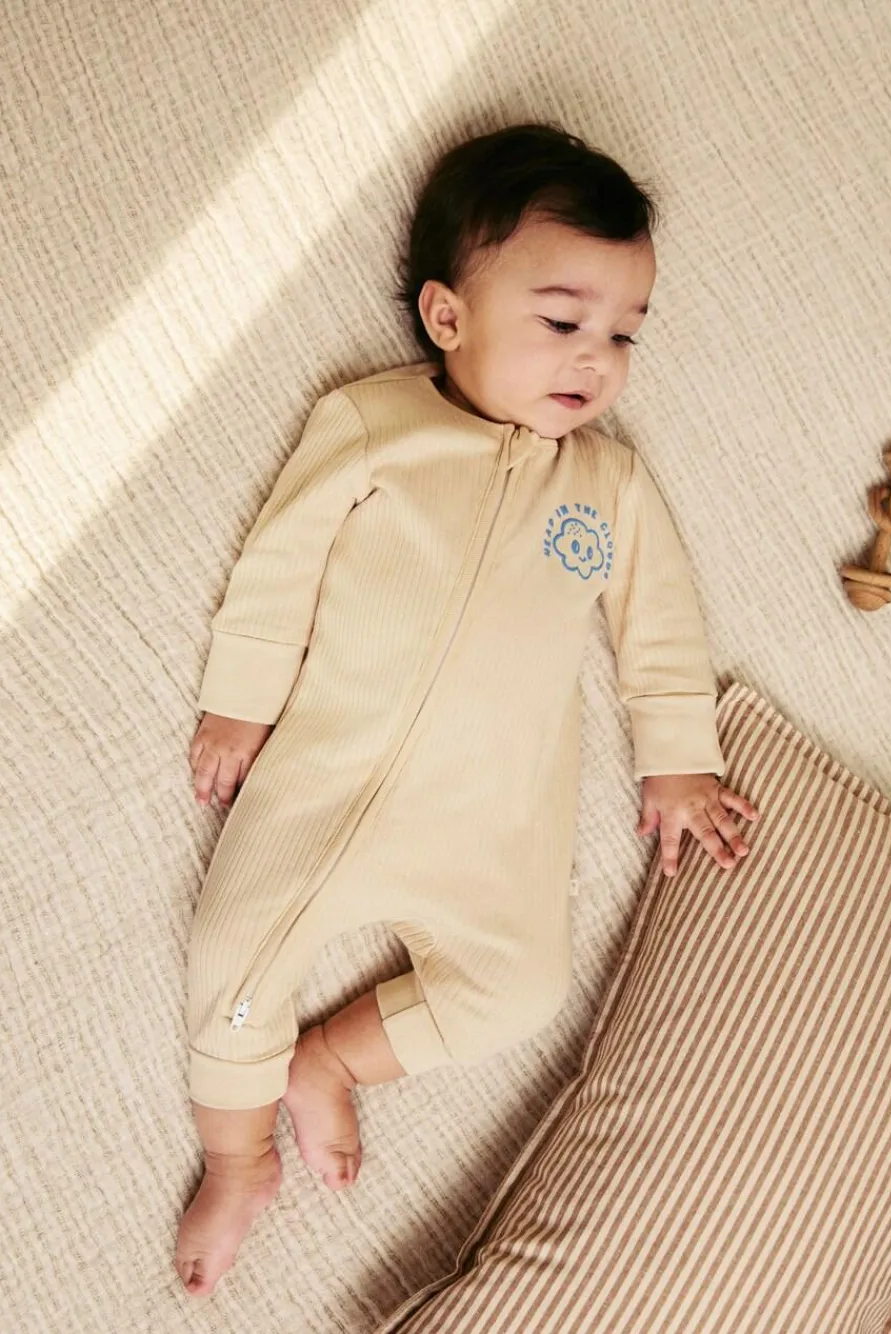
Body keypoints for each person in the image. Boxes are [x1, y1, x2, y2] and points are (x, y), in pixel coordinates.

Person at [174, 122, 759, 1296]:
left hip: (491, 828)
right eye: (562, 320)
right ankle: (237, 1157)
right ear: (448, 316)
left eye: (623, 332)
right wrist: (240, 700)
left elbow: (659, 623)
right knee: (231, 953)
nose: (595, 358)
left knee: (521, 990)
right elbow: (280, 561)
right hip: (328, 784)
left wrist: (677, 756)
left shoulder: (605, 482)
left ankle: (333, 1059)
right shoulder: (373, 425)